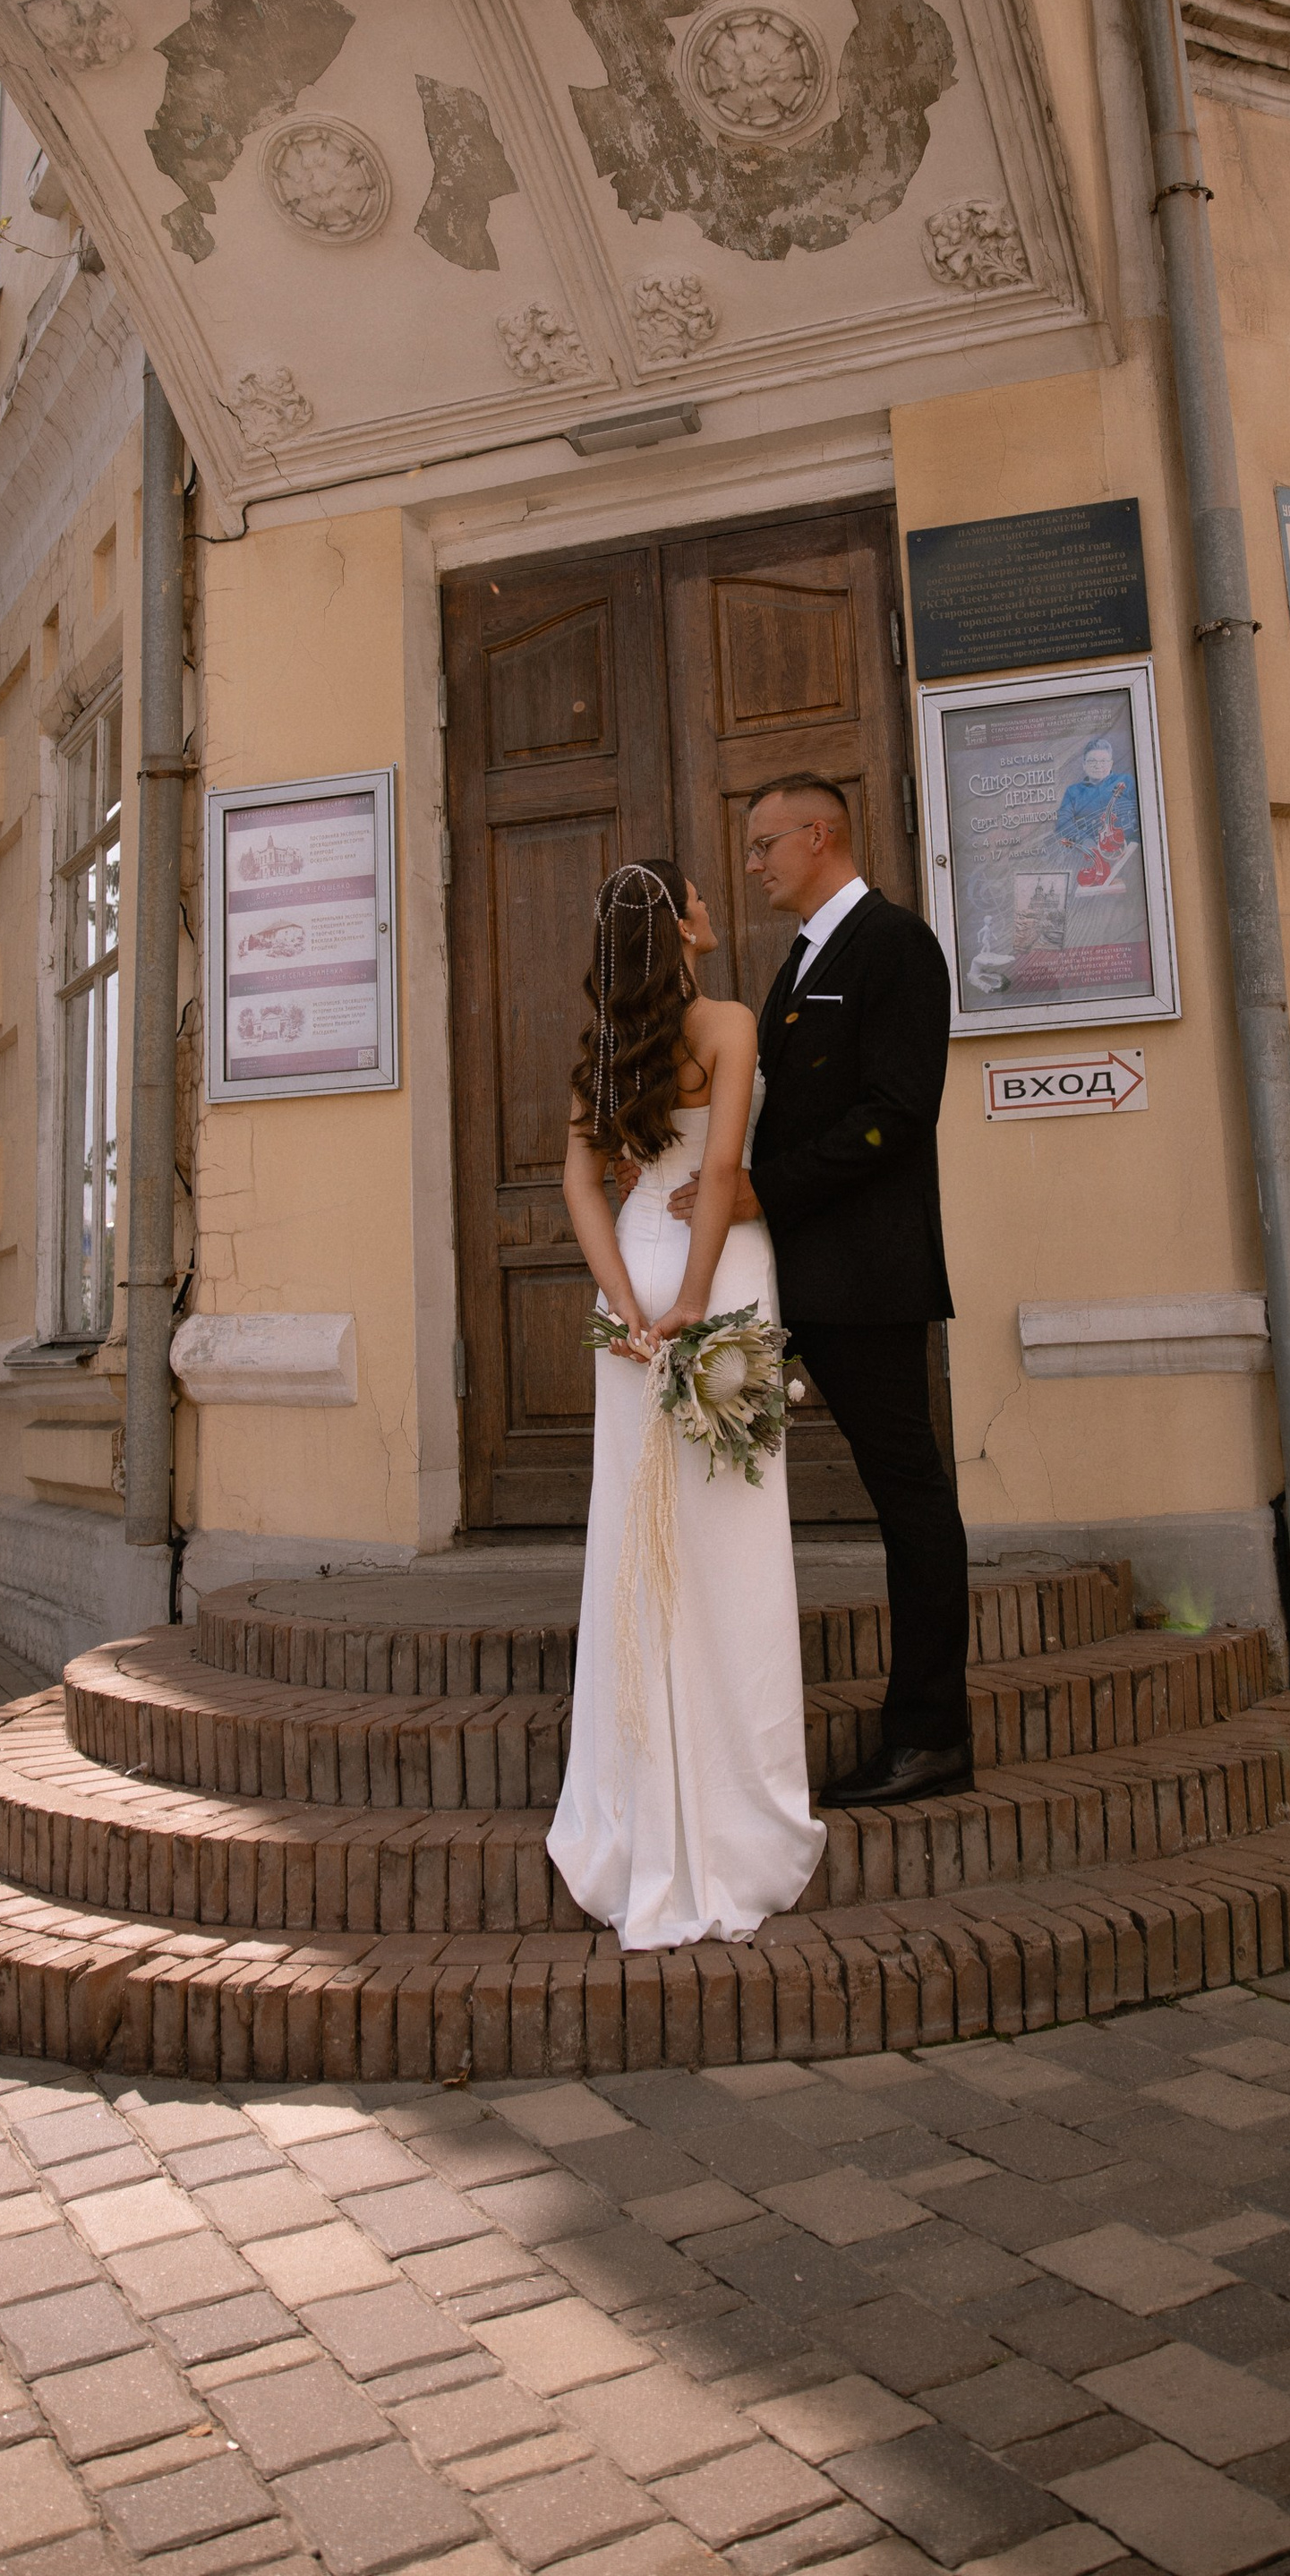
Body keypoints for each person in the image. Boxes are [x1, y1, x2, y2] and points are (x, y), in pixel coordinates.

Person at [547, 860, 825, 1949]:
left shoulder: (603, 1047)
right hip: (718, 1275)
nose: (715, 907)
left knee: (636, 1537)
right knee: (728, 1536)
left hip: (633, 1281)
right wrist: (699, 1302)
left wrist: (628, 1305)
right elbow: (719, 1174)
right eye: (699, 898)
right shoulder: (726, 1022)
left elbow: (577, 1184)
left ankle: (639, 1808)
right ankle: (736, 1814)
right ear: (683, 927)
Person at [677, 779, 970, 1810]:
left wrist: (765, 1187)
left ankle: (931, 1733)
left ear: (819, 835)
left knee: (910, 1496)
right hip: (797, 1271)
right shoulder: (802, 959)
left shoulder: (892, 946)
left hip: (866, 1275)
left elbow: (899, 1112)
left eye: (764, 845)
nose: (752, 863)